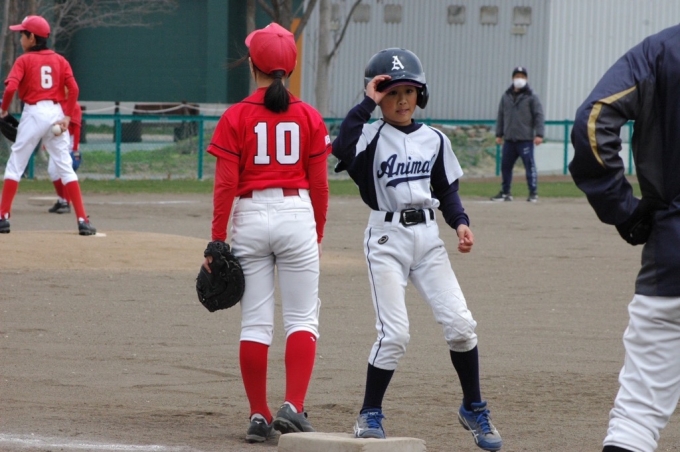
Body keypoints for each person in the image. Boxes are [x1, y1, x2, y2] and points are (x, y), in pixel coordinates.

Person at [332, 48, 502, 451]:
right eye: (391, 92)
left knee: (461, 326)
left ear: (420, 94)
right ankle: (369, 414)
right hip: (386, 239)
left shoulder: (435, 139)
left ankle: (473, 407)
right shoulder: (369, 136)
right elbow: (341, 147)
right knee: (395, 334)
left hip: (428, 240)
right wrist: (367, 102)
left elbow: (446, 190)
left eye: (408, 91)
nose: (402, 100)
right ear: (378, 95)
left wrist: (460, 223)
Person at [204, 22, 330, 443]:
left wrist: (217, 240)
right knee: (302, 318)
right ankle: (293, 405)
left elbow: (225, 185)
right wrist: (317, 234)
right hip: (296, 214)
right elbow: (319, 186)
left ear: (251, 64)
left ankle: (259, 415)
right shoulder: (308, 115)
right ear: (290, 68)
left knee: (256, 324)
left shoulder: (236, 115)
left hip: (250, 217)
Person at [569, 24, 680, 452]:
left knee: (636, 419)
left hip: (671, 257)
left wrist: (622, 208)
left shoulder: (661, 50)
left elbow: (592, 119)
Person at [0, 15, 95, 235]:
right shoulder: (60, 60)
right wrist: (67, 117)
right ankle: (83, 221)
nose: (21, 38)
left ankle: (3, 217)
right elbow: (74, 89)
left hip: (33, 112)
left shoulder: (24, 60)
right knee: (65, 167)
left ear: (32, 38)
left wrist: (4, 109)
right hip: (56, 113)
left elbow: (11, 88)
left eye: (23, 34)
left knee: (15, 165)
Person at [491, 66, 544, 203]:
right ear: (513, 78)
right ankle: (505, 192)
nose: (519, 79)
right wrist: (499, 134)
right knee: (505, 166)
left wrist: (539, 134)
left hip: (525, 139)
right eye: (517, 76)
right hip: (509, 139)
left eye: (522, 76)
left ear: (526, 78)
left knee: (529, 166)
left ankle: (533, 192)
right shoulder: (506, 96)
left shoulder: (531, 96)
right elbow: (501, 115)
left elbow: (538, 115)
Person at [48, 93, 83, 214]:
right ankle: (61, 199)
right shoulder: (56, 104)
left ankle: (66, 202)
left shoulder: (74, 105)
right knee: (52, 171)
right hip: (56, 139)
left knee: (64, 172)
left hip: (69, 141)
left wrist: (75, 149)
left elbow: (77, 128)